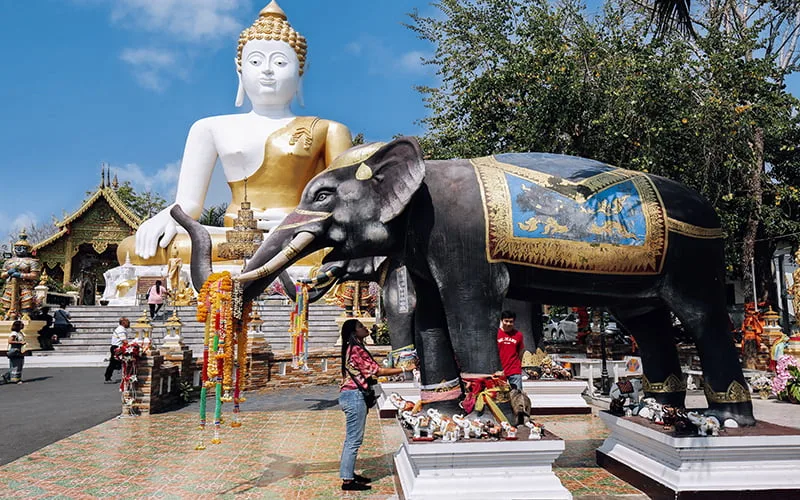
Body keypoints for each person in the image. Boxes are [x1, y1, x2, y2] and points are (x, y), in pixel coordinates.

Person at [119, 1, 352, 267]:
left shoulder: (328, 130)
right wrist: (167, 218)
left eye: (279, 61)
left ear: (302, 70)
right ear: (239, 69)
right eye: (255, 61)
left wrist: (301, 220)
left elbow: (345, 207)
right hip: (233, 235)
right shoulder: (209, 128)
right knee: (137, 248)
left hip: (298, 235)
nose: (267, 70)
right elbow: (188, 204)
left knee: (338, 247)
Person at [338, 319, 413, 491]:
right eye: (361, 326)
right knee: (353, 440)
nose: (365, 328)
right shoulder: (355, 349)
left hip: (352, 395)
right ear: (354, 332)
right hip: (354, 396)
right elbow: (377, 371)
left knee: (353, 438)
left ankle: (348, 473)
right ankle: (347, 481)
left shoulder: (353, 348)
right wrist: (404, 369)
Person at [0, 230, 42, 319]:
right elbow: (2, 275)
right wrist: (8, 273)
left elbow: (35, 275)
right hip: (10, 287)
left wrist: (20, 275)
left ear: (27, 249)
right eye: (17, 248)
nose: (19, 250)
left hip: (25, 287)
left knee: (26, 307)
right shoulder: (9, 262)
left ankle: (24, 318)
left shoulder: (31, 262)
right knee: (6, 307)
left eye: (22, 248)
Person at [497, 310, 525, 390]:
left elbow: (521, 351)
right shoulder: (496, 334)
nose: (508, 324)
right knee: (500, 395)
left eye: (511, 322)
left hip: (514, 369)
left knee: (517, 394)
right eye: (506, 321)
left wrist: (518, 364)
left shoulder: (518, 335)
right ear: (501, 321)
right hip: (499, 370)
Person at [104, 317, 129, 383]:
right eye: (127, 322)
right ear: (123, 323)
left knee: (117, 362)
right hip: (117, 348)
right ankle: (108, 377)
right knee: (113, 363)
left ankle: (111, 376)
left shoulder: (121, 329)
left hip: (117, 347)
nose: (129, 323)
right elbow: (124, 341)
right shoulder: (121, 330)